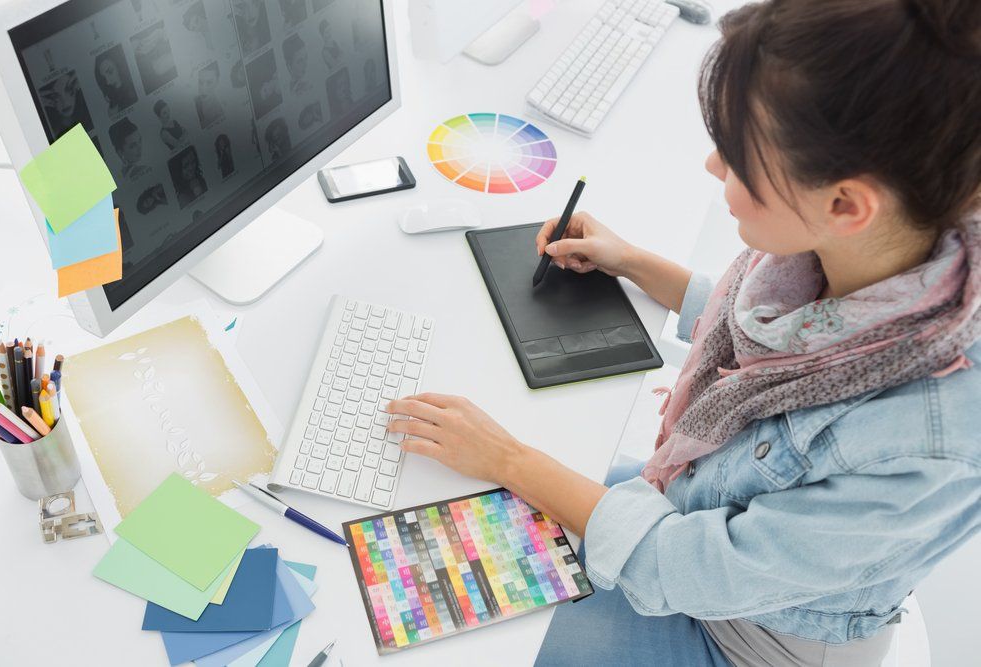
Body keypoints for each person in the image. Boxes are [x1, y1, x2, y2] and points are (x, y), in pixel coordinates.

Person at [384, 1, 981, 665]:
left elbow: (681, 565)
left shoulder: (932, 442)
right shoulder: (884, 244)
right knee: (443, 524)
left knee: (446, 634)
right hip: (687, 506)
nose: (711, 167)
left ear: (844, 204)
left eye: (736, 155)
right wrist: (632, 261)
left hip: (742, 631)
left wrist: (508, 457)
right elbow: (780, 340)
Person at [94, 48, 137, 114]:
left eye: (110, 71)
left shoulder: (137, 85)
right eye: (104, 78)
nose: (108, 82)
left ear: (119, 66)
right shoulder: (113, 109)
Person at [194, 62, 223, 128]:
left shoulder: (221, 108)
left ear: (217, 82)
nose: (203, 88)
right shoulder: (193, 103)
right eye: (200, 82)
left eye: (209, 82)